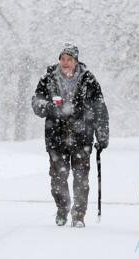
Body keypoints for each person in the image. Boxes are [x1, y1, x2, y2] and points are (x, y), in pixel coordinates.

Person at [31, 43, 109, 228]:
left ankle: (78, 215)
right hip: (56, 137)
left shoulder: (88, 79)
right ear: (59, 60)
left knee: (81, 178)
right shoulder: (48, 79)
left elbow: (100, 108)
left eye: (69, 59)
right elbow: (36, 102)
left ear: (76, 61)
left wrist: (102, 135)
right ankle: (63, 208)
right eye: (63, 59)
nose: (65, 63)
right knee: (58, 178)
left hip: (82, 136)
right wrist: (50, 107)